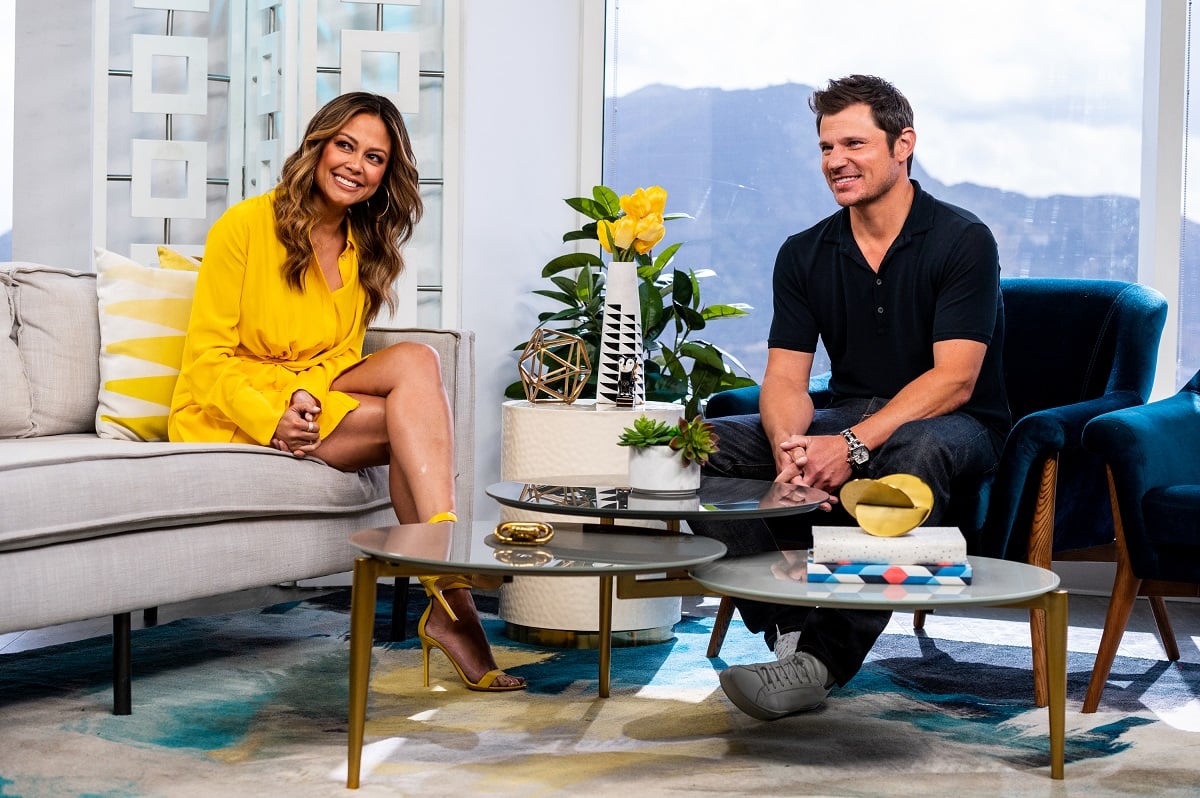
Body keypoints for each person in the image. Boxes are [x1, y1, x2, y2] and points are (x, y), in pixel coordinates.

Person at [168, 92, 525, 692]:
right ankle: (452, 596)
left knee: (418, 361)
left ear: (387, 174)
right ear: (318, 146)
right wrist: (273, 415)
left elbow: (338, 354)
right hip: (231, 405)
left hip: (307, 391)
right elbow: (204, 361)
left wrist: (302, 392)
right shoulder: (245, 226)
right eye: (346, 146)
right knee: (409, 422)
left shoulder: (366, 246)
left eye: (374, 157)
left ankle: (442, 563)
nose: (356, 165)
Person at [689, 75, 1009, 720]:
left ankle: (821, 663)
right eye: (826, 147)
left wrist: (852, 445)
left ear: (902, 145)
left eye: (854, 143)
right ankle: (789, 628)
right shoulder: (804, 252)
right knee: (695, 448)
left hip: (955, 422)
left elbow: (954, 379)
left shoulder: (962, 239)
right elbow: (785, 378)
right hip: (849, 409)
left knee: (914, 451)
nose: (836, 160)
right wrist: (790, 447)